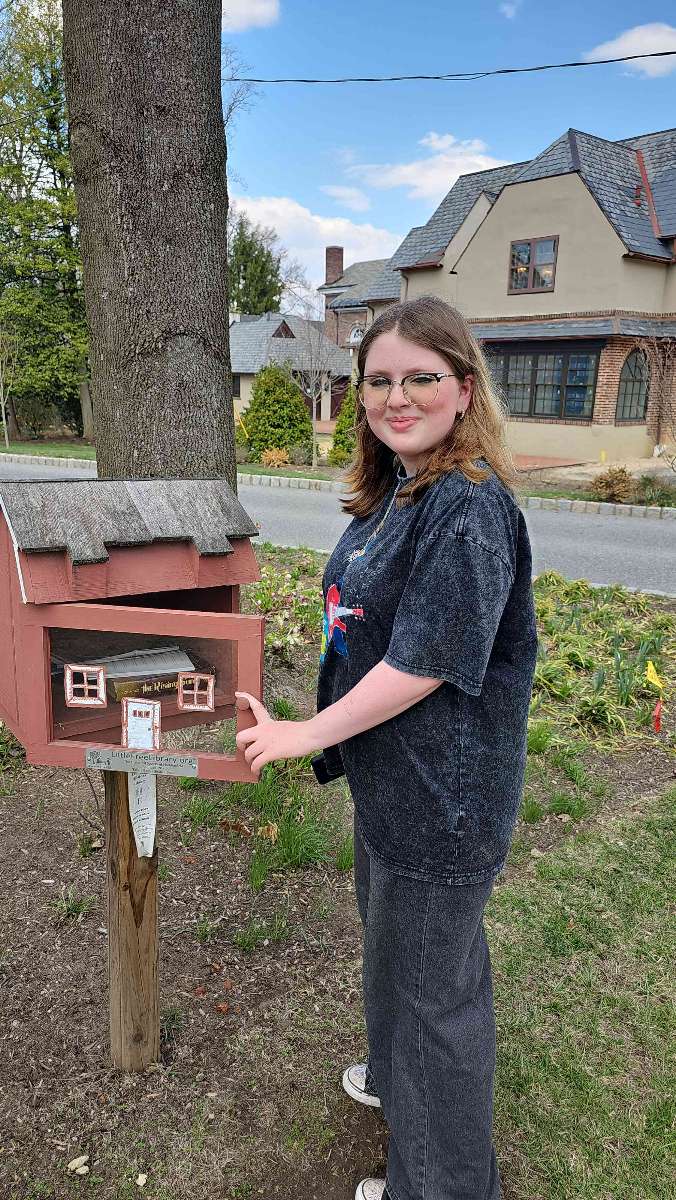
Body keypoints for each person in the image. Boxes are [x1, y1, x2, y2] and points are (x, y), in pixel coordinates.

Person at [235, 295, 538, 1200]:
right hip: (393, 784)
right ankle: (396, 1079)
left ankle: (443, 1184)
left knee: (438, 997)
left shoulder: (468, 507)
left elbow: (424, 664)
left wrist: (305, 733)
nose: (396, 397)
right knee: (396, 957)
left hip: (444, 800)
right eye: (378, 380)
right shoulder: (402, 489)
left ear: (464, 387)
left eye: (420, 378)